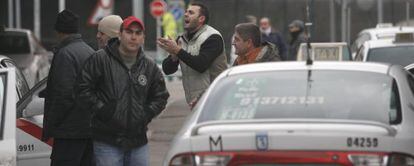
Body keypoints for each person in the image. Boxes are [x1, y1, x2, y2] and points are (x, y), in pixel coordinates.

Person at [77, 16, 169, 166]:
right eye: (129, 32)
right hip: (107, 141)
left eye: (138, 33)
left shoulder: (149, 66)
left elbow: (160, 96)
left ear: (143, 38)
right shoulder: (100, 59)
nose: (133, 37)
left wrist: (145, 114)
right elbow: (82, 89)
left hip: (138, 143)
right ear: (119, 35)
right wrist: (103, 110)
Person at [42, 9, 95, 166]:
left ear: (58, 31)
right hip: (89, 131)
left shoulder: (65, 54)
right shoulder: (90, 51)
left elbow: (64, 96)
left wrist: (50, 126)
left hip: (69, 133)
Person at [158, 2, 227, 105]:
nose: (185, 14)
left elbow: (201, 64)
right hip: (194, 101)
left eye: (190, 12)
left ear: (201, 19)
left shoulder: (213, 37)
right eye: (185, 12)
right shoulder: (181, 39)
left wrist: (177, 51)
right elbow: (167, 70)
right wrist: (173, 56)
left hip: (216, 98)